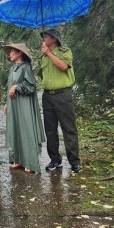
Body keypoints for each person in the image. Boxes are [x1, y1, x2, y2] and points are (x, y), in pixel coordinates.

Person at [38, 28, 81, 173]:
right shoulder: (42, 57)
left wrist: (49, 54)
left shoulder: (65, 52)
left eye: (45, 36)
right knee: (50, 130)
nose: (42, 39)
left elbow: (63, 67)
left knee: (68, 128)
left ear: (54, 39)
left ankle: (74, 161)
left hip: (63, 95)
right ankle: (54, 159)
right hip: (47, 96)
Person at [3, 43, 45, 174]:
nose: (9, 53)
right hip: (14, 104)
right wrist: (6, 102)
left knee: (26, 129)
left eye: (12, 51)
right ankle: (19, 160)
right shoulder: (13, 68)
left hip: (24, 103)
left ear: (19, 53)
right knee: (15, 129)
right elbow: (8, 86)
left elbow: (31, 86)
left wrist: (17, 87)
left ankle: (30, 162)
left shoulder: (26, 67)